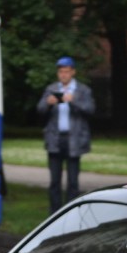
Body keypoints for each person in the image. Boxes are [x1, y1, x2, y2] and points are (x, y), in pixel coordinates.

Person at [36, 56, 95, 212]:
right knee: (54, 181)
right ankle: (54, 214)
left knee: (73, 181)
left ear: (73, 72)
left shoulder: (82, 90)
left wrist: (73, 101)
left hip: (73, 140)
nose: (63, 75)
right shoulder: (51, 89)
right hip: (55, 140)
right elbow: (40, 110)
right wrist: (48, 103)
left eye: (66, 72)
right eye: (61, 72)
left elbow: (91, 110)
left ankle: (71, 213)